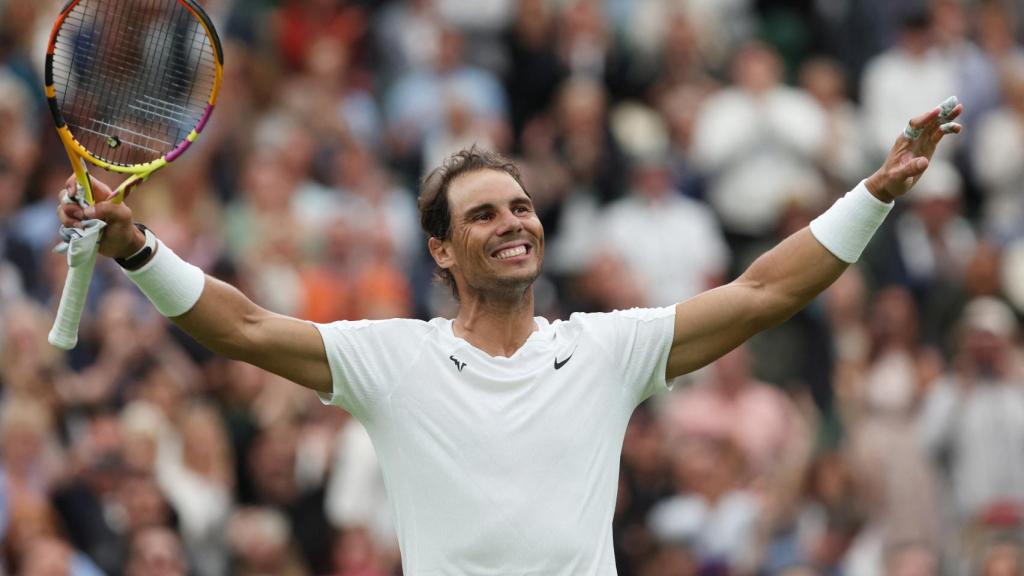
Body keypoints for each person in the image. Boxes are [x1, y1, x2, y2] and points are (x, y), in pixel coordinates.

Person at [56, 100, 963, 574]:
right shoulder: (392, 359)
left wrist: (874, 193)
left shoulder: (608, 349)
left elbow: (763, 292)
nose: (513, 222)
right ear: (442, 250)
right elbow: (244, 325)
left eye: (522, 206)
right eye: (484, 214)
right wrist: (139, 247)